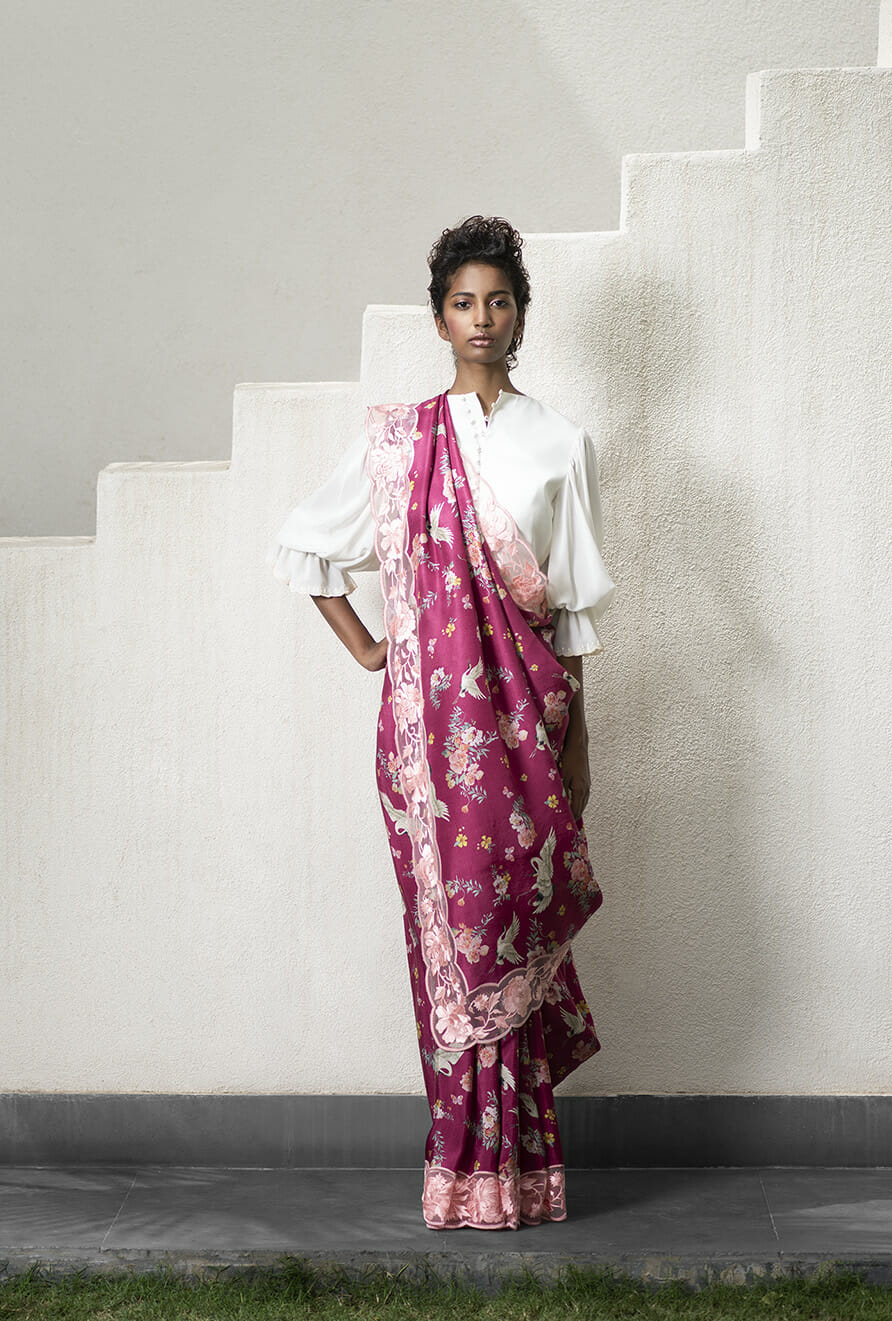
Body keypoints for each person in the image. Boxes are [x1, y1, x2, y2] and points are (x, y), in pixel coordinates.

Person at [266, 215, 615, 1230]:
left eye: (499, 301)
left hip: (529, 735)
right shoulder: (399, 443)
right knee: (451, 943)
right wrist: (373, 649)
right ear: (438, 319)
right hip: (429, 746)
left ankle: (523, 1170)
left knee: (512, 929)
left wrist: (579, 741)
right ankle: (464, 1166)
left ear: (521, 316)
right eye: (464, 302)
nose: (482, 318)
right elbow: (307, 549)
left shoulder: (561, 444)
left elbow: (572, 611)